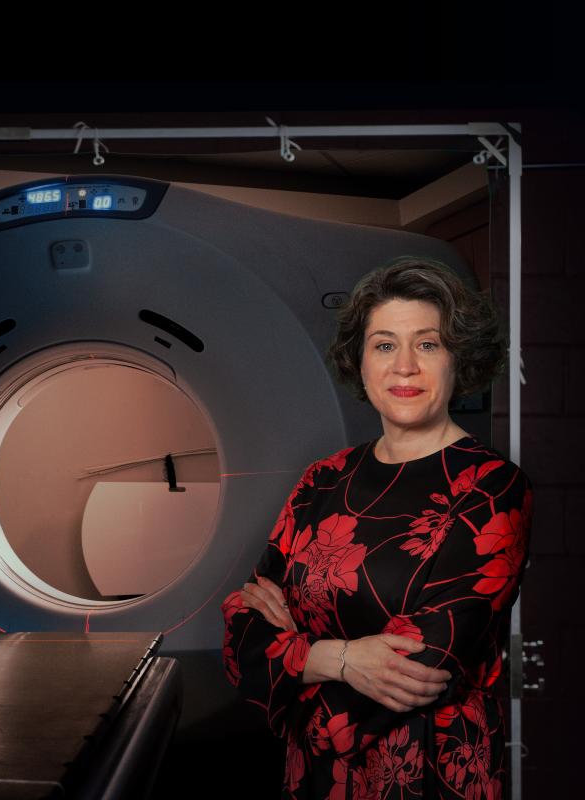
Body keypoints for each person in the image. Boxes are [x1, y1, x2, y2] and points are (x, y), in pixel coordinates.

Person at [222, 258, 531, 798]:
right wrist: (341, 659)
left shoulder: (491, 486)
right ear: (360, 363)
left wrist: (300, 655)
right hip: (311, 775)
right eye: (385, 345)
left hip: (429, 771)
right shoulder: (322, 480)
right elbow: (243, 628)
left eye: (428, 345)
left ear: (460, 360)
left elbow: (422, 668)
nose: (404, 367)